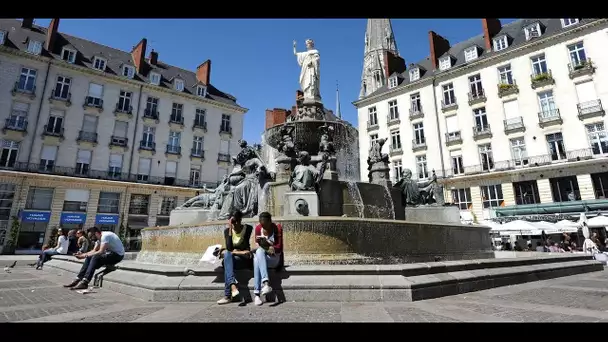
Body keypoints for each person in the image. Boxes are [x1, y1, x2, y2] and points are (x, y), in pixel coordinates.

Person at [217, 210, 254, 305]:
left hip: (244, 260)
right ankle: (233, 286)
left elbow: (247, 251)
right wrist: (230, 229)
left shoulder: (248, 228)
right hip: (235, 258)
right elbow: (229, 248)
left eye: (237, 221)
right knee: (228, 256)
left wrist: (235, 252)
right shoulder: (227, 231)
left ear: (241, 220)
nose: (235, 224)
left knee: (227, 259)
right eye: (233, 222)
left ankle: (228, 295)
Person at [252, 212, 283, 306]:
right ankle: (265, 284)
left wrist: (273, 248)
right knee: (257, 256)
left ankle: (257, 293)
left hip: (274, 259)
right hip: (263, 258)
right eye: (262, 225)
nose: (264, 227)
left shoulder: (277, 228)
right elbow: (257, 244)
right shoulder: (258, 228)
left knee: (257, 257)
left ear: (270, 221)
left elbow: (280, 247)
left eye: (266, 225)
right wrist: (263, 247)